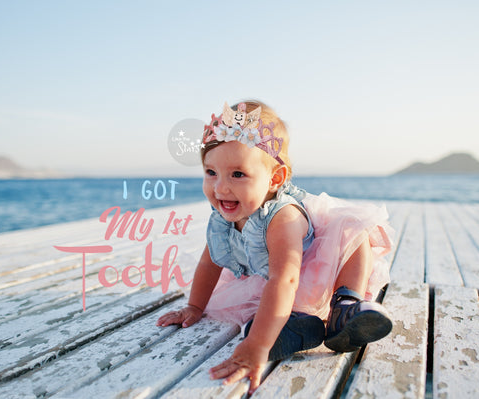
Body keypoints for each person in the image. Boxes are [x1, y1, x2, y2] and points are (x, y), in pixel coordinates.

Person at [157, 100, 393, 394]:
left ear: (275, 178)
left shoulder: (282, 217)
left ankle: (345, 304)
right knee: (253, 319)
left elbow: (286, 278)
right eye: (211, 172)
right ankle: (294, 326)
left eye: (237, 174)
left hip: (309, 270)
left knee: (352, 229)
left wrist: (256, 345)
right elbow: (210, 262)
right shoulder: (222, 217)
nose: (220, 188)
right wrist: (195, 306)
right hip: (273, 282)